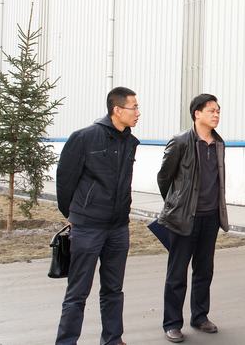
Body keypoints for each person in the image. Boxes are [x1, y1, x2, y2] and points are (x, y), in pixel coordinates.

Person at [55, 87, 141, 345]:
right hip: (88, 228)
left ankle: (113, 339)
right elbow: (65, 180)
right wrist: (74, 214)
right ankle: (66, 342)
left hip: (118, 228)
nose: (138, 112)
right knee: (78, 292)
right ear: (117, 110)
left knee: (114, 289)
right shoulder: (84, 138)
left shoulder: (130, 142)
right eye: (134, 107)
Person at [157, 93, 229, 343]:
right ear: (197, 114)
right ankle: (172, 323)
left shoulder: (218, 143)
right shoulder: (180, 142)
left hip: (211, 218)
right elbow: (164, 178)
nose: (216, 115)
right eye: (211, 111)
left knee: (204, 271)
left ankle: (200, 316)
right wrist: (177, 204)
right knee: (177, 273)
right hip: (184, 218)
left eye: (218, 111)